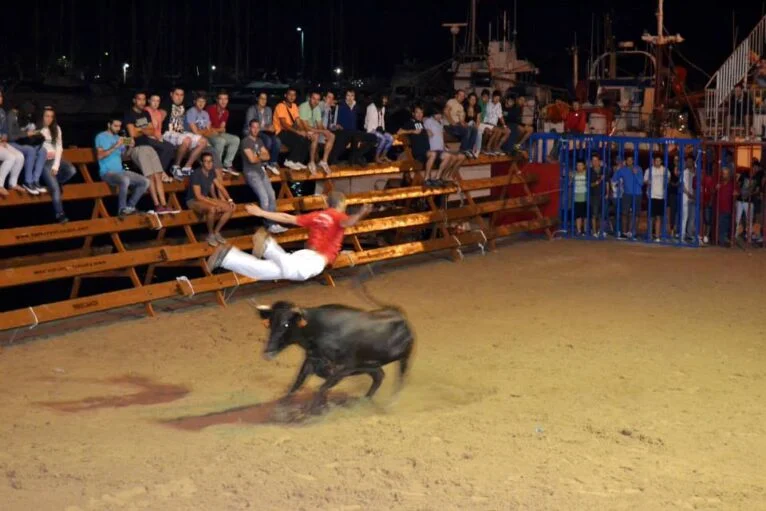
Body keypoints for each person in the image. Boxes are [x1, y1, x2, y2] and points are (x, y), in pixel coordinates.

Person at [206, 191, 372, 282]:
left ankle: (227, 257)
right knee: (298, 273)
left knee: (263, 272)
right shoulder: (338, 216)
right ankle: (269, 246)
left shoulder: (317, 215)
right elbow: (348, 223)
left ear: (328, 203)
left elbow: (288, 218)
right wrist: (361, 214)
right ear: (341, 205)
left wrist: (261, 212)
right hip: (316, 260)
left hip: (304, 255)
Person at [95, 117, 150, 216]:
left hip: (120, 171)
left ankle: (130, 207)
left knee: (145, 181)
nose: (118, 128)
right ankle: (122, 209)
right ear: (109, 125)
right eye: (115, 126)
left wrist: (130, 147)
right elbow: (100, 156)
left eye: (119, 126)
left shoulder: (119, 138)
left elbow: (124, 157)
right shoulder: (101, 137)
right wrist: (115, 146)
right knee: (125, 180)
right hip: (107, 172)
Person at [241, 119, 287, 234]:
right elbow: (251, 160)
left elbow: (267, 156)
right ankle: (269, 224)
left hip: (261, 170)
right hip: (251, 172)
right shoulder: (246, 141)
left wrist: (258, 155)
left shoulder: (260, 140)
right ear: (249, 128)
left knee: (272, 194)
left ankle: (274, 222)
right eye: (253, 127)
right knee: (264, 197)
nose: (256, 129)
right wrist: (260, 155)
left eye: (257, 127)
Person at [186, 152, 235, 246]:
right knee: (212, 209)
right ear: (201, 163)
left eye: (210, 161)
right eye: (206, 161)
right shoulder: (196, 174)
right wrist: (214, 204)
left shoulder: (211, 172)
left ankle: (216, 232)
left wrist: (229, 199)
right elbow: (198, 196)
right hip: (192, 201)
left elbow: (220, 187)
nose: (209, 163)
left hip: (205, 198)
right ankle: (210, 234)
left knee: (230, 207)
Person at [39, 106, 76, 223]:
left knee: (71, 170)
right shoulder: (38, 129)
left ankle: (58, 181)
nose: (49, 119)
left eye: (51, 116)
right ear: (42, 116)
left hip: (55, 159)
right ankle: (59, 214)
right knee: (55, 189)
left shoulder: (56, 129)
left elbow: (59, 148)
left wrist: (56, 165)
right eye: (46, 116)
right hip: (44, 161)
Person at [243, 92, 281, 174]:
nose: (263, 100)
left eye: (265, 99)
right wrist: (265, 128)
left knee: (277, 141)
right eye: (261, 98)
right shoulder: (252, 109)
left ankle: (273, 162)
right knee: (267, 140)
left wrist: (271, 127)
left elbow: (269, 123)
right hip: (252, 131)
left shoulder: (268, 109)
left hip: (265, 132)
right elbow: (251, 125)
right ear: (257, 99)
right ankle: (263, 162)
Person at [205, 90, 241, 175]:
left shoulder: (226, 112)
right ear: (217, 100)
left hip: (217, 133)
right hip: (207, 134)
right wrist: (218, 130)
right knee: (221, 141)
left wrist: (218, 130)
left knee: (235, 139)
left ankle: (227, 164)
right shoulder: (210, 109)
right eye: (221, 99)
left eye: (225, 99)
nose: (223, 101)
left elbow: (223, 128)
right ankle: (217, 166)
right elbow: (208, 129)